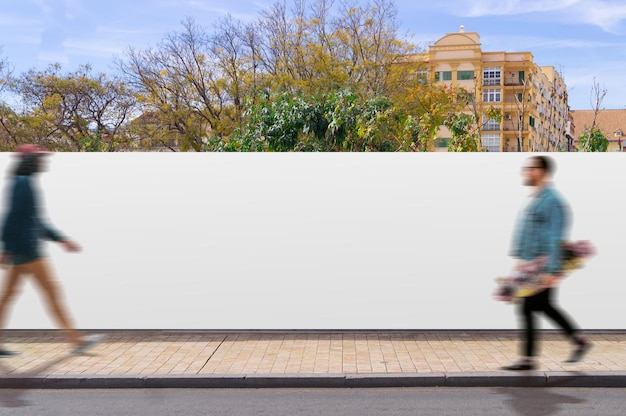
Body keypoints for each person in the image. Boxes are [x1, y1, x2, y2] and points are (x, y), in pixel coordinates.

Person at [0, 144, 102, 357]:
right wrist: (5, 248)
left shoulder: (23, 182)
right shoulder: (23, 183)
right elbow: (13, 218)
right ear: (31, 161)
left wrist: (61, 239)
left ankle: (76, 340)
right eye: (40, 158)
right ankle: (76, 340)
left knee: (8, 296)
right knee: (52, 293)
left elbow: (34, 221)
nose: (43, 161)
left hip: (23, 249)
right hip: (28, 251)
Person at [503, 156, 591, 371]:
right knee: (541, 306)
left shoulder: (552, 201)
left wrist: (550, 271)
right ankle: (578, 342)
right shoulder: (537, 197)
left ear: (541, 171)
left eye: (530, 168)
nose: (526, 172)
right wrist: (521, 264)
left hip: (543, 265)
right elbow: (530, 235)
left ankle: (528, 359)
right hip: (533, 263)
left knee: (530, 307)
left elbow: (554, 237)